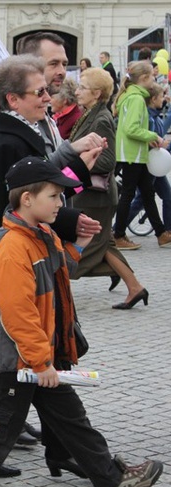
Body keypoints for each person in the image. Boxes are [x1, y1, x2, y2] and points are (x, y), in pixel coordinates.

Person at [0, 156, 165, 487]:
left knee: (73, 421)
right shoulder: (12, 249)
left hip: (37, 359)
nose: (60, 204)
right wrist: (41, 362)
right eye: (53, 196)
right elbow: (17, 315)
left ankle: (114, 481)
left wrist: (79, 244)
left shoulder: (39, 236)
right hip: (16, 363)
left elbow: (57, 269)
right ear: (27, 199)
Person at [0, 55, 103, 479]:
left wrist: (71, 165)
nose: (48, 96)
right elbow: (18, 204)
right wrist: (70, 217)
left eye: (48, 88)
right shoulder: (5, 142)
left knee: (34, 360)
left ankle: (51, 448)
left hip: (25, 256)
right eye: (39, 91)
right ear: (12, 99)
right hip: (4, 263)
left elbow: (43, 187)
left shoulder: (21, 132)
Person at [70, 68, 148, 309]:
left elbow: (107, 161)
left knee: (91, 245)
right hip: (91, 195)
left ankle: (57, 280)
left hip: (97, 196)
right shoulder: (90, 114)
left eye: (82, 87)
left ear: (96, 93)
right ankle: (135, 288)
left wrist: (76, 160)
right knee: (104, 243)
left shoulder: (101, 119)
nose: (77, 91)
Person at [112, 60, 171, 251]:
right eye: (153, 76)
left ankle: (161, 233)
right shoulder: (136, 99)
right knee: (129, 194)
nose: (155, 78)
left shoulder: (130, 95)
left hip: (133, 152)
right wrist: (152, 136)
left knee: (146, 193)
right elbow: (132, 129)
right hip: (133, 154)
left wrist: (147, 138)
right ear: (144, 78)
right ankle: (118, 234)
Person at [126, 83, 171, 235]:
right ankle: (117, 229)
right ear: (153, 99)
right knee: (141, 199)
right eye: (161, 97)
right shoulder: (150, 118)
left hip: (155, 163)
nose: (163, 99)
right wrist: (161, 143)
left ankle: (167, 230)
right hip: (150, 163)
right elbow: (149, 138)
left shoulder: (155, 115)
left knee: (166, 196)